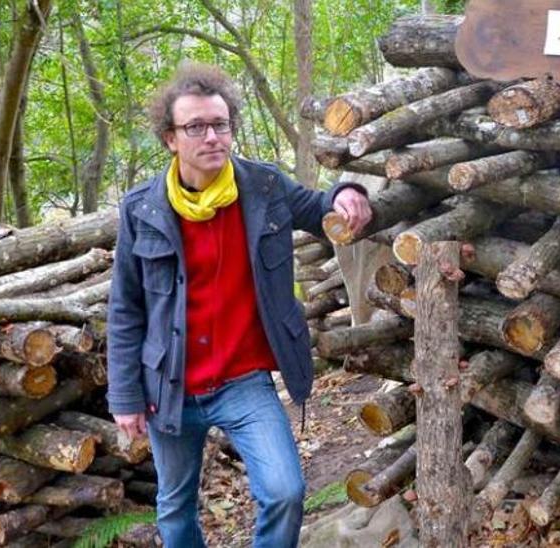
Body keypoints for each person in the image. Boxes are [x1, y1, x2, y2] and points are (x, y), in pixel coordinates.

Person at [106, 62, 371, 548]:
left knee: (285, 491)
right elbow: (125, 307)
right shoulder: (142, 208)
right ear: (170, 138)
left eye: (220, 124)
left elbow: (318, 208)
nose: (212, 136)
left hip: (243, 382)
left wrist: (348, 191)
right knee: (176, 506)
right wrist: (124, 396)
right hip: (169, 383)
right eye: (196, 127)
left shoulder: (263, 187)